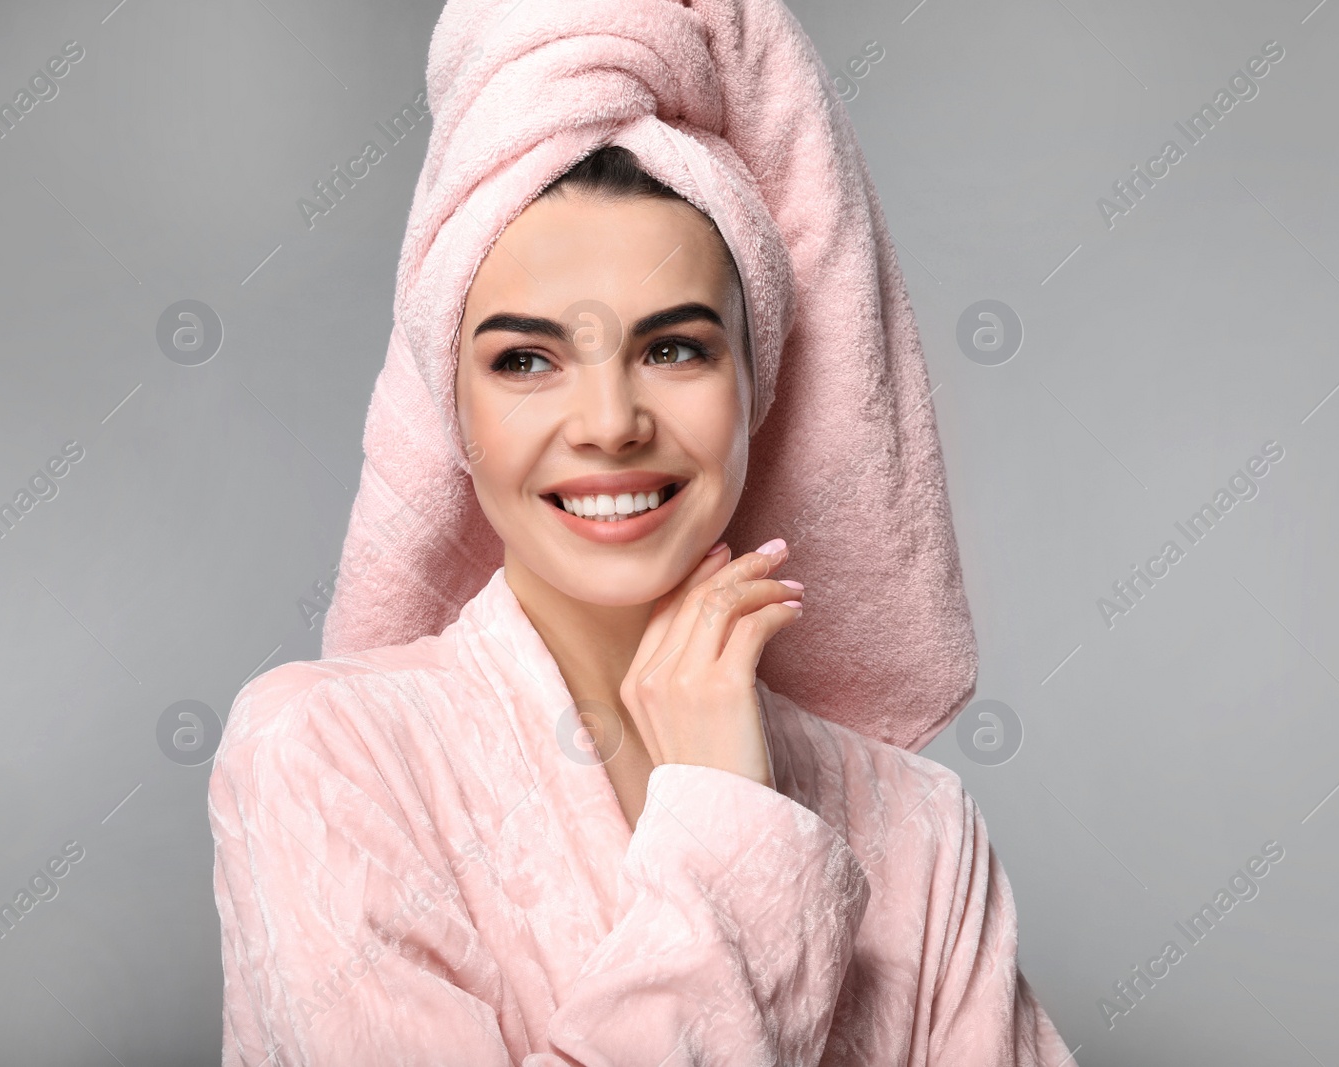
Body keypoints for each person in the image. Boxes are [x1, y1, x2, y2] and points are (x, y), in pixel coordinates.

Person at [209, 2, 1074, 1064]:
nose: (611, 422)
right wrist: (726, 822)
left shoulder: (924, 827)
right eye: (525, 360)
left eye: (674, 349)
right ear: (452, 412)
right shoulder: (324, 755)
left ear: (757, 390)